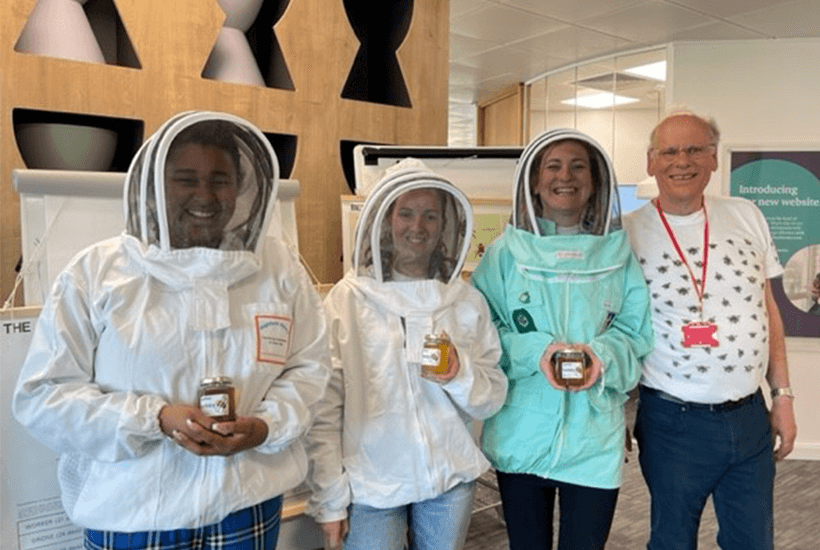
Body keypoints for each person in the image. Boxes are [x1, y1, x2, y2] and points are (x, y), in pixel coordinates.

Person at [13, 111, 330, 549]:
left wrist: (265, 426)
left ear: (240, 188)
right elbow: (43, 397)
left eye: (219, 179)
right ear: (157, 186)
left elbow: (310, 370)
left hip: (246, 505)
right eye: (186, 178)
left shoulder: (280, 270)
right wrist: (155, 418)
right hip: (133, 513)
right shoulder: (97, 273)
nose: (205, 194)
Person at [305, 161, 508, 550]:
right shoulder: (347, 301)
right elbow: (325, 409)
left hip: (450, 477)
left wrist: (459, 374)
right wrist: (330, 502)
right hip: (372, 484)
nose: (419, 227)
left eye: (431, 215)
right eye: (407, 213)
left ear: (445, 224)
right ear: (385, 220)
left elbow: (491, 398)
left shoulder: (464, 300)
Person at [622, 108, 798, 550]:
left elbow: (768, 309)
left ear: (714, 158)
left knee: (753, 542)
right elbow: (617, 325)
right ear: (651, 161)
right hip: (672, 419)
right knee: (673, 540)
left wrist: (783, 396)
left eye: (695, 149)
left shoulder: (746, 215)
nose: (682, 161)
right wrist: (622, 408)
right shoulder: (626, 235)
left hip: (748, 415)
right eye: (670, 151)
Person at [470, 129, 654, 550]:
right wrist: (537, 353)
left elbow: (636, 333)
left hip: (592, 436)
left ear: (596, 182)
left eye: (577, 166)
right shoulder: (503, 255)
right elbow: (481, 333)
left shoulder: (618, 256)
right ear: (534, 181)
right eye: (553, 166)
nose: (565, 177)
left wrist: (601, 357)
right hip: (522, 429)